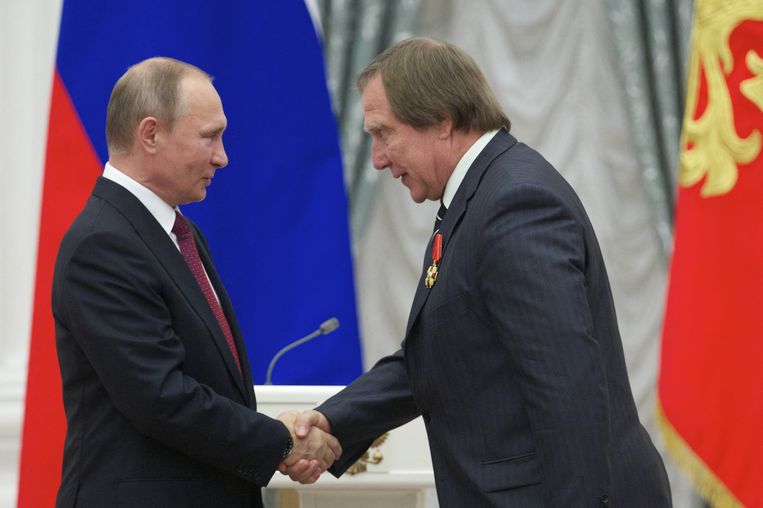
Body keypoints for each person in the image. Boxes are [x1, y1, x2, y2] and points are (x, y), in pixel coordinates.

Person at [283, 38, 672, 507]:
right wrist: (333, 421)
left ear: (442, 120)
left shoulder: (515, 205)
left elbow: (565, 389)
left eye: (384, 133)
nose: (378, 158)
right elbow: (433, 356)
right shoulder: (478, 196)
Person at [52, 57, 339, 508]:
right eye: (209, 136)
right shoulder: (102, 245)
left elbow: (205, 383)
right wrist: (280, 441)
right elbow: (162, 398)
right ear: (150, 134)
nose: (222, 157)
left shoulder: (173, 230)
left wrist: (276, 436)